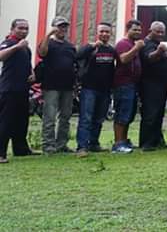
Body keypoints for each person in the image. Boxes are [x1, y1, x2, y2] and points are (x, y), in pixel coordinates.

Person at [75, 22, 116, 157]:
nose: (104, 34)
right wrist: (92, 47)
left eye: (107, 32)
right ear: (97, 33)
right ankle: (82, 146)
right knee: (86, 118)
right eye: (102, 31)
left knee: (99, 118)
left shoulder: (111, 50)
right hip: (89, 88)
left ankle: (94, 143)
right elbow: (77, 56)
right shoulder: (90, 47)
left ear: (110, 33)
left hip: (105, 90)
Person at [37, 16, 77, 154]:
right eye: (60, 26)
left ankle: (61, 144)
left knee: (65, 117)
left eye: (65, 26)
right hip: (51, 86)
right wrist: (48, 34)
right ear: (54, 27)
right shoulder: (48, 43)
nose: (63, 29)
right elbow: (42, 53)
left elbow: (74, 65)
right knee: (50, 117)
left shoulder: (70, 46)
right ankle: (48, 145)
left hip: (67, 86)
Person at [0, 19, 36, 163]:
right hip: (9, 89)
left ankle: (21, 149)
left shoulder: (26, 47)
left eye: (26, 28)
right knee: (6, 121)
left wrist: (32, 73)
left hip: (23, 89)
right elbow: (1, 56)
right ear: (12, 29)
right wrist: (16, 47)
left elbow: (27, 63)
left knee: (21, 121)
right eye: (20, 28)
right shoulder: (8, 43)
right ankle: (1, 153)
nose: (24, 31)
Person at [138, 21, 167, 151]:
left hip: (161, 85)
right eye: (157, 31)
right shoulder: (147, 44)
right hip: (150, 85)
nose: (160, 34)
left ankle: (157, 140)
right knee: (150, 114)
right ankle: (146, 143)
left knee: (159, 114)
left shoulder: (157, 44)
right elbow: (149, 58)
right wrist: (159, 51)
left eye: (162, 32)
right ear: (150, 31)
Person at [111, 19, 144, 154]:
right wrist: (136, 48)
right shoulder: (123, 44)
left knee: (129, 114)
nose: (138, 32)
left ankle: (124, 141)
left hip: (133, 84)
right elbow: (123, 59)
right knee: (122, 114)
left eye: (139, 30)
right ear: (128, 29)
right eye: (134, 29)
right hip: (123, 84)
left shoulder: (132, 43)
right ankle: (118, 144)